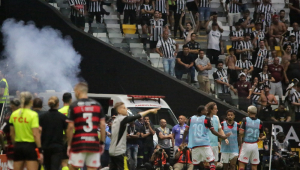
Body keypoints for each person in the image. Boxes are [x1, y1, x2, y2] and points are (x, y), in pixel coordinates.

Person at [66, 82, 106, 170]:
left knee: (73, 167)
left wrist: (69, 144)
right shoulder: (97, 105)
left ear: (78, 92)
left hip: (78, 143)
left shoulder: (74, 105)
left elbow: (70, 127)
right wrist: (102, 143)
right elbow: (103, 125)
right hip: (93, 143)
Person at [109, 103, 159, 170]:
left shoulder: (115, 120)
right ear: (119, 111)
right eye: (124, 108)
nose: (126, 109)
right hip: (119, 152)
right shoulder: (121, 119)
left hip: (112, 151)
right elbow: (136, 117)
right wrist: (150, 111)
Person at [182, 105, 230, 170]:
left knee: (196, 164)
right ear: (202, 111)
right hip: (204, 143)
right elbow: (213, 131)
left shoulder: (191, 118)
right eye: (205, 110)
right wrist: (222, 136)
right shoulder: (206, 119)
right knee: (211, 162)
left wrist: (183, 141)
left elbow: (186, 130)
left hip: (194, 144)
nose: (207, 111)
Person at [9, 91, 43, 170]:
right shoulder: (33, 115)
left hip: (18, 146)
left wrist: (16, 145)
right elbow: (35, 134)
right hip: (30, 147)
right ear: (31, 101)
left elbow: (11, 134)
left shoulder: (14, 114)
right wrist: (40, 149)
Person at [39, 96, 68, 170]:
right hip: (58, 147)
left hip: (46, 147)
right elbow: (67, 132)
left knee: (47, 168)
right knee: (55, 167)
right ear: (58, 104)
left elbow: (39, 131)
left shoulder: (42, 117)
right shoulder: (62, 117)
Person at [238, 106, 265, 170]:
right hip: (255, 145)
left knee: (242, 164)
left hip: (246, 144)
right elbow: (262, 135)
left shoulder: (245, 120)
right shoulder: (260, 122)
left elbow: (241, 132)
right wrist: (261, 138)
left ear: (248, 112)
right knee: (254, 166)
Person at [0, 99, 20, 170]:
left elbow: (0, 133)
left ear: (11, 107)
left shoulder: (7, 120)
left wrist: (3, 146)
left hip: (11, 150)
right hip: (24, 151)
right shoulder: (24, 119)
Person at [58, 92, 72, 170]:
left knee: (64, 162)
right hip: (73, 138)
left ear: (62, 100)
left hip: (62, 138)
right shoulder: (73, 111)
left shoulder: (59, 112)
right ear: (71, 100)